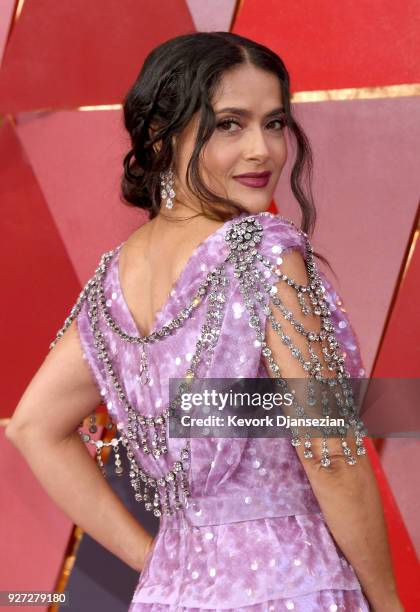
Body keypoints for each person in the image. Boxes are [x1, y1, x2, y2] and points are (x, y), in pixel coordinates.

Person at [6, 32, 403, 612]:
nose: (263, 151)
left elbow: (32, 427)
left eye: (274, 123)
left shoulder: (114, 277)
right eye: (229, 124)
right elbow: (332, 452)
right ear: (163, 138)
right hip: (291, 588)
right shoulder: (260, 250)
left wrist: (163, 565)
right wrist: (389, 602)